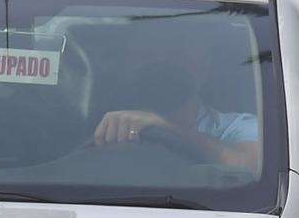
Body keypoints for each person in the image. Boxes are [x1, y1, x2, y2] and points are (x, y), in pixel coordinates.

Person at [93, 25, 261, 175]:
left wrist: (164, 128)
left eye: (177, 55)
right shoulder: (102, 125)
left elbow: (248, 168)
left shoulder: (238, 126)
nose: (161, 64)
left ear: (203, 67)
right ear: (128, 70)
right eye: (147, 56)